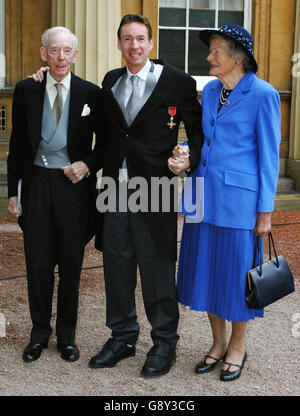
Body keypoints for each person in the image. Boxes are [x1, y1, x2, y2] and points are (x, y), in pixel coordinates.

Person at [89, 14, 203, 377]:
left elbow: (197, 134)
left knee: (156, 268)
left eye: (140, 39)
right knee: (117, 266)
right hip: (114, 188)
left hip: (156, 187)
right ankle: (122, 337)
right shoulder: (110, 81)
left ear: (151, 43)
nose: (134, 46)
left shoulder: (178, 82)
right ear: (119, 44)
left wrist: (186, 159)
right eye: (127, 39)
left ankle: (164, 342)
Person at [169, 24, 281, 381]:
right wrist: (186, 152)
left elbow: (269, 159)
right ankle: (216, 343)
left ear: (239, 57)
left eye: (216, 51)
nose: (209, 58)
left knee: (235, 280)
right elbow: (205, 140)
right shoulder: (213, 89)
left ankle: (237, 346)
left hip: (241, 205)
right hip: (203, 198)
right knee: (206, 275)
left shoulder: (263, 94)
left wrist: (265, 211)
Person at [7, 27, 102, 363]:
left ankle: (67, 337)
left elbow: (105, 146)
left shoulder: (91, 93)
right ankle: (38, 335)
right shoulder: (26, 90)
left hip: (73, 187)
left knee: (71, 264)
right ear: (44, 54)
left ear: (75, 55)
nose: (61, 57)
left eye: (67, 51)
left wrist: (86, 165)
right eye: (54, 50)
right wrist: (13, 191)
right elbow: (17, 145)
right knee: (38, 263)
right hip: (35, 184)